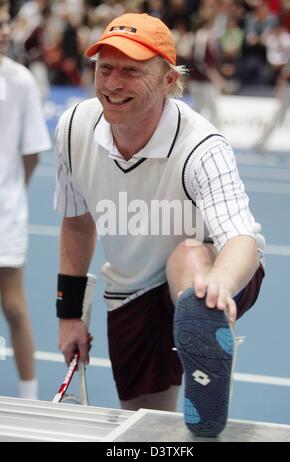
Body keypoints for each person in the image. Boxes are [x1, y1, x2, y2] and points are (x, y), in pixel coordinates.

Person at [54, 13, 265, 437]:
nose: (113, 84)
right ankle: (193, 398)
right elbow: (77, 223)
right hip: (131, 288)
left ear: (170, 81)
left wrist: (218, 286)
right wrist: (69, 314)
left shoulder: (201, 146)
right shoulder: (74, 127)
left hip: (212, 272)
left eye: (131, 71)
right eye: (105, 68)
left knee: (187, 258)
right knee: (145, 422)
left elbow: (242, 238)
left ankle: (203, 330)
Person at [0, 0, 51, 399]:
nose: (4, 31)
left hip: (5, 213)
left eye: (5, 23)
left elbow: (32, 151)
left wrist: (12, 189)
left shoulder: (19, 81)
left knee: (14, 307)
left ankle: (31, 397)